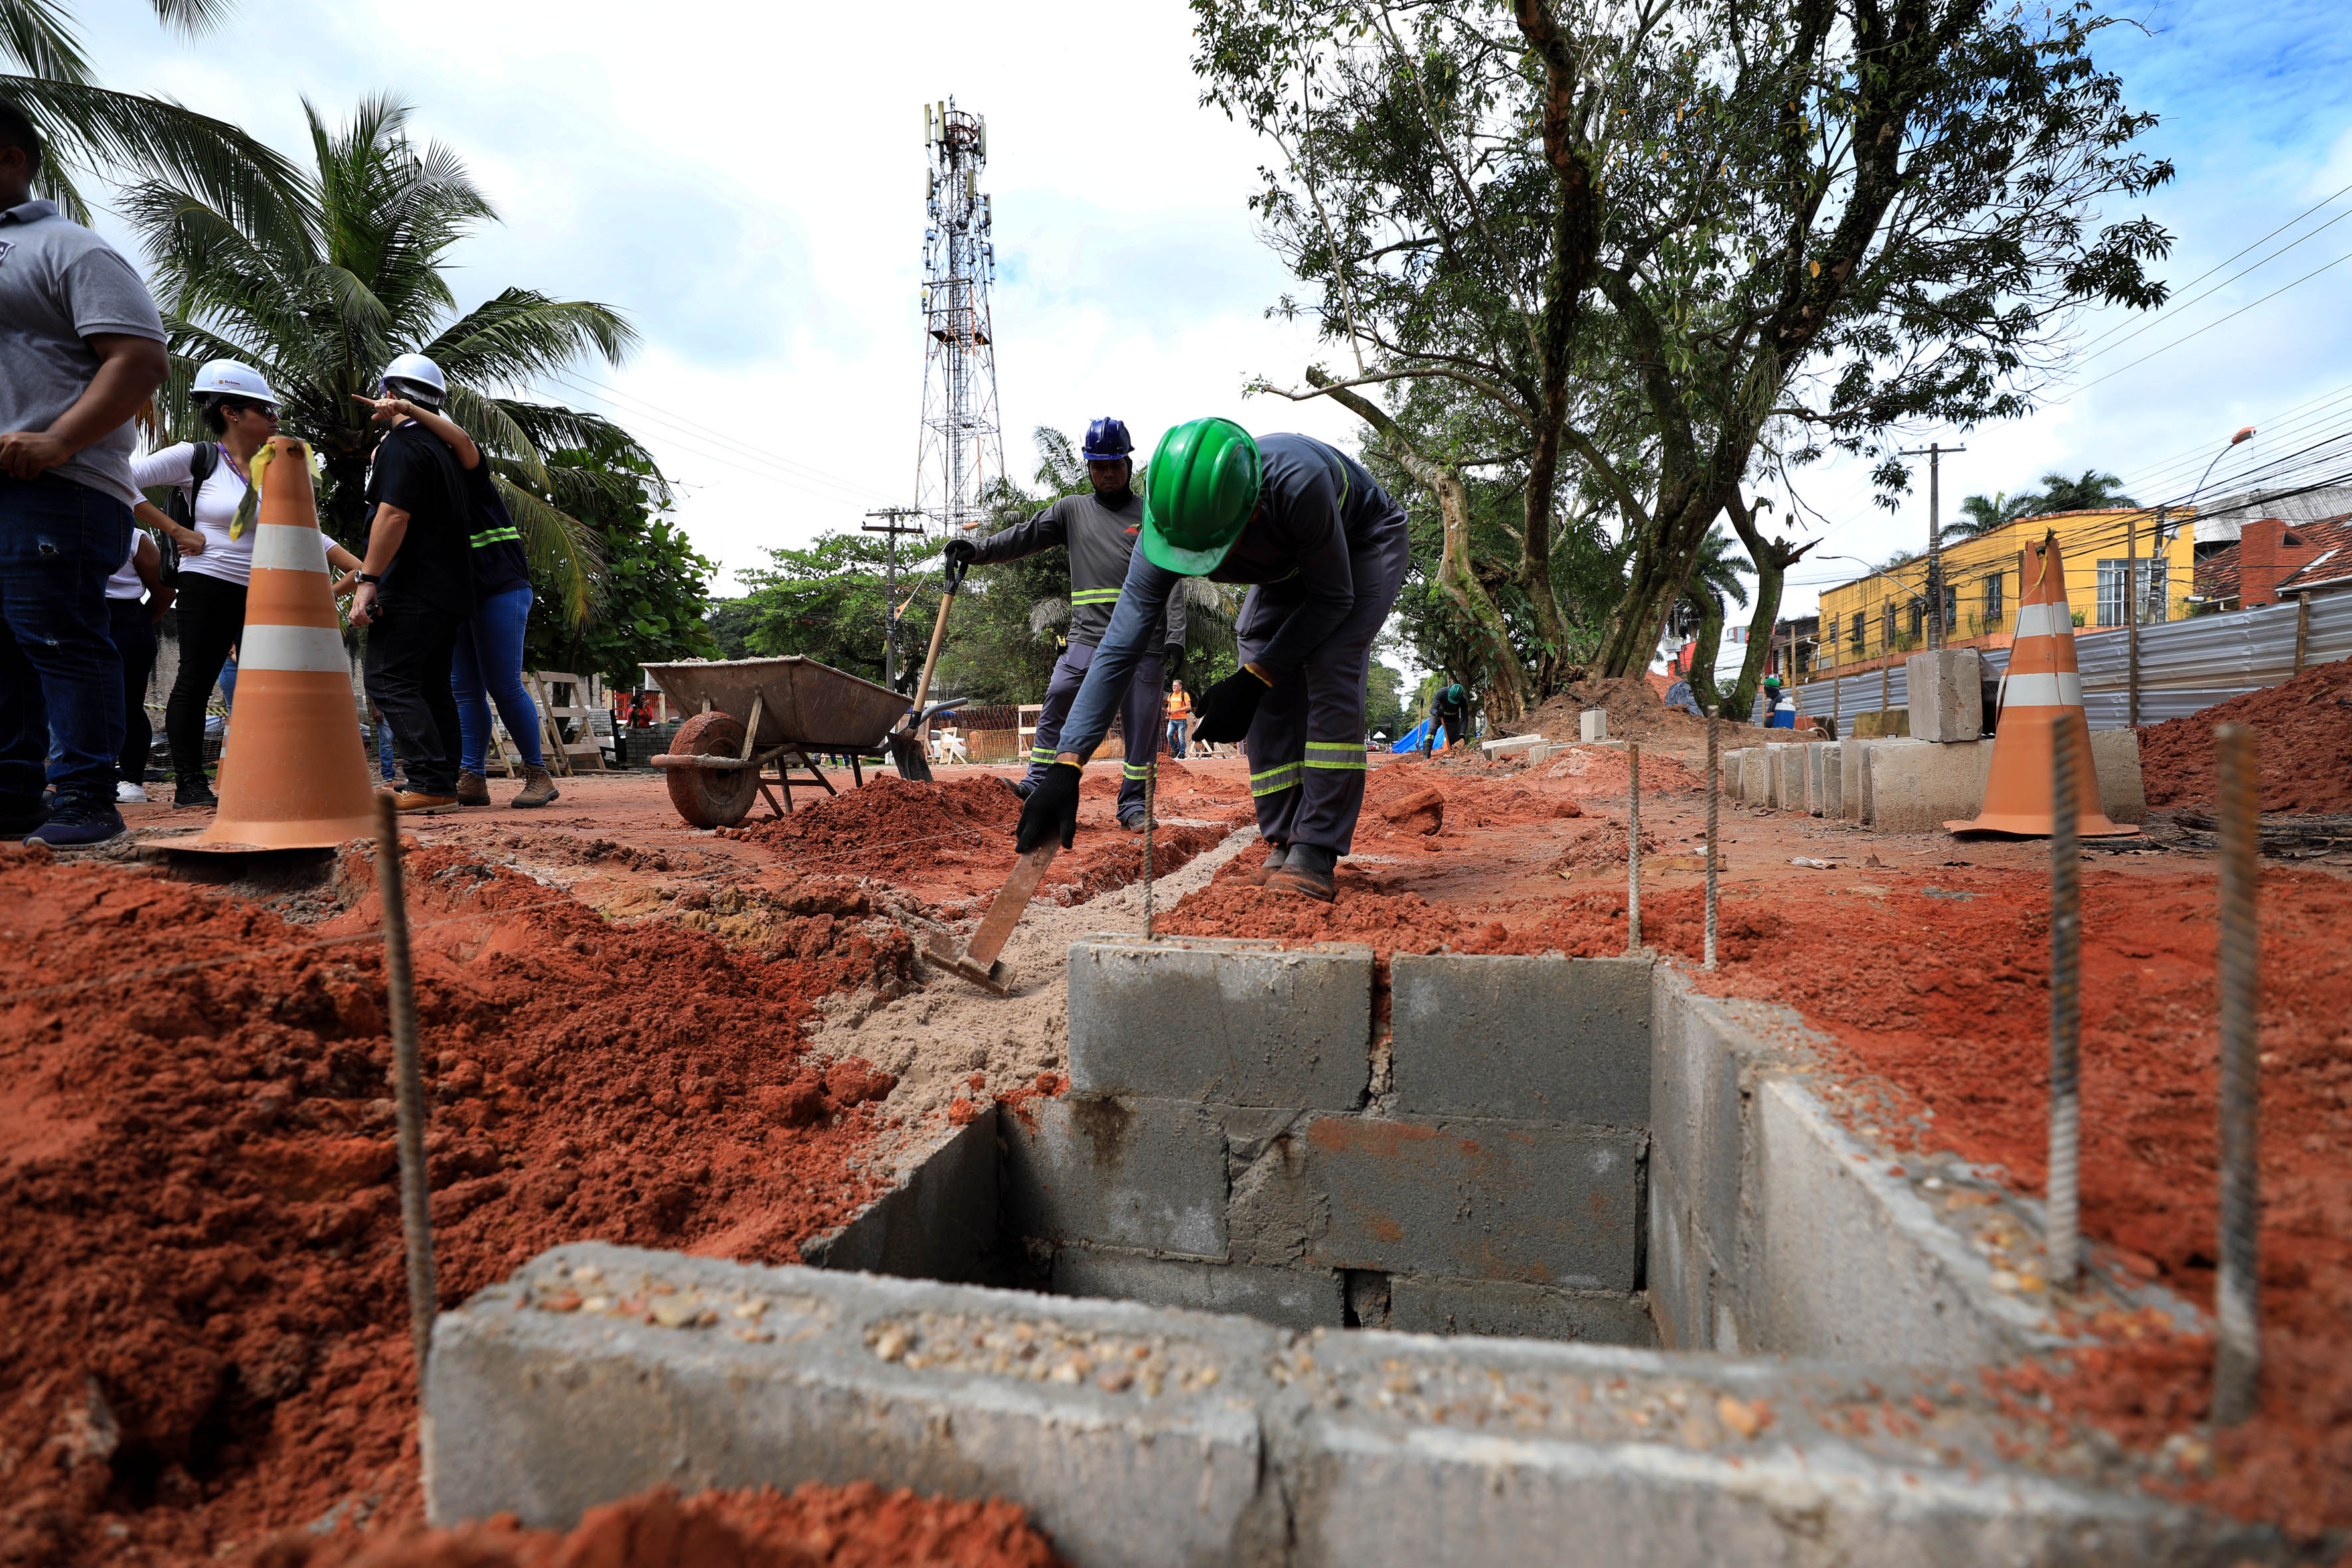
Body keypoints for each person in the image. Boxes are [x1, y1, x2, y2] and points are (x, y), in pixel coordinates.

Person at [1014, 419, 1410, 902]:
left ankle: (1315, 846)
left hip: (1360, 542)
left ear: (1251, 510)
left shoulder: (1297, 483)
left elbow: (1332, 599)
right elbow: (1118, 647)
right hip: (1285, 563)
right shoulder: (1166, 519)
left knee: (1329, 662)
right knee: (1258, 651)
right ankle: (1285, 840)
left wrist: (1254, 680)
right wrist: (1067, 765)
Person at [0, 100, 170, 846]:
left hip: (57, 484)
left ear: (10, 158)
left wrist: (57, 441)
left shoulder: (68, 249)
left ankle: (87, 799)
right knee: (7, 647)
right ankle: (12, 797)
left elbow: (139, 359)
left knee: (59, 635)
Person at [134, 360, 359, 807]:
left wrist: (352, 573)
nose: (276, 418)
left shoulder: (275, 467)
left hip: (267, 596)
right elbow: (120, 479)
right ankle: (191, 785)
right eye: (265, 410)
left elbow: (305, 530)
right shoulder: (195, 457)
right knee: (196, 681)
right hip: (209, 583)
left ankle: (272, 780)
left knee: (276, 689)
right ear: (230, 413)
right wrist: (176, 531)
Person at [945, 416, 1183, 831]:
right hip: (1088, 636)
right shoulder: (1072, 510)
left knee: (1143, 725)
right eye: (1099, 466)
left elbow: (1172, 576)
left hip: (1146, 642)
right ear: (1089, 467)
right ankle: (1037, 783)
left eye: (1115, 465)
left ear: (1128, 464)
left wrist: (1176, 635)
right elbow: (1024, 536)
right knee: (1058, 697)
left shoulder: (1152, 515)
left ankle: (1134, 806)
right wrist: (977, 550)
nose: (1108, 474)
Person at [351, 388, 557, 808]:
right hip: (456, 589)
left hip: (498, 581)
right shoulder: (424, 470)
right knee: (462, 689)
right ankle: (472, 776)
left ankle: (538, 773)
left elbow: (462, 439)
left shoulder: (455, 460)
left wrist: (406, 410)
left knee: (502, 682)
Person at [349, 354, 475, 811]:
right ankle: (442, 780)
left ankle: (430, 783)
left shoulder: (403, 446)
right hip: (449, 589)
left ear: (389, 396)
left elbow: (393, 515)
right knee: (432, 685)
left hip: (412, 585)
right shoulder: (447, 450)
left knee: (389, 680)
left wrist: (368, 579)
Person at [103, 526, 172, 801]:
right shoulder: (50, 526)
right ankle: (78, 778)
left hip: (125, 620)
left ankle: (131, 780)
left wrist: (138, 623)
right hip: (73, 614)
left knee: (129, 704)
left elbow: (165, 591)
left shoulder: (132, 536)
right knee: (73, 704)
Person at [1427, 681, 1469, 757]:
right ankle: (1426, 755)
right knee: (1431, 730)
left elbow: (1465, 718)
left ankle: (1454, 756)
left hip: (1453, 719)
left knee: (1454, 739)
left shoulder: (1463, 700)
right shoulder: (1442, 693)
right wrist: (1437, 713)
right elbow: (1432, 709)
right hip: (1438, 716)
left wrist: (1462, 734)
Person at [1165, 678, 1192, 759]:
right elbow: (1169, 705)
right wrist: (1169, 711)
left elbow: (1189, 707)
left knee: (1181, 737)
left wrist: (1177, 710)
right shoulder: (1171, 695)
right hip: (1172, 719)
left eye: (1176, 686)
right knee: (1169, 735)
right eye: (1173, 686)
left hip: (1181, 719)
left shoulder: (1184, 694)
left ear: (1180, 687)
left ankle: (1182, 753)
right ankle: (1176, 750)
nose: (1174, 687)